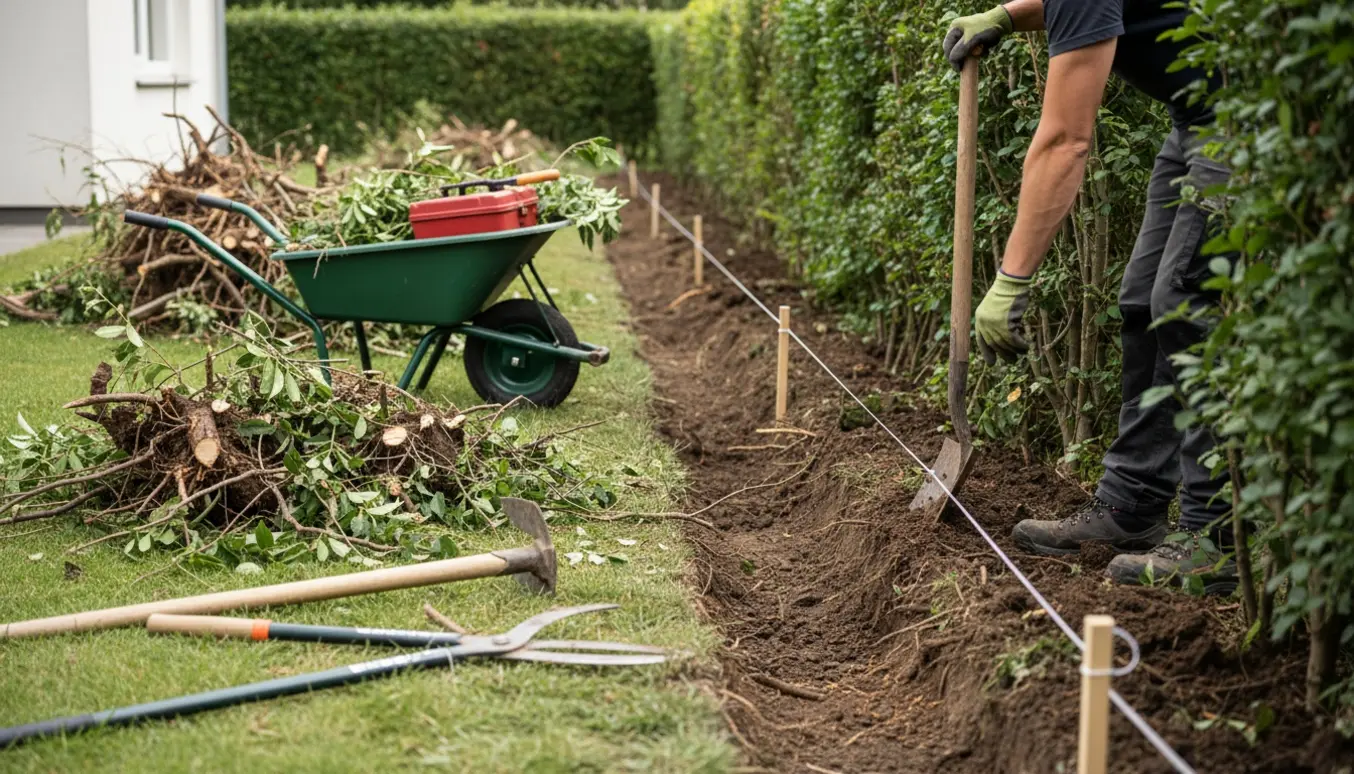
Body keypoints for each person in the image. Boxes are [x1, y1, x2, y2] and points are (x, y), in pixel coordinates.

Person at [941, 0, 1236, 594]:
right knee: (1142, 305)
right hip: (1196, 120)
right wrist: (1009, 16)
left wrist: (1012, 278)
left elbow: (1065, 143)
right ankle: (1131, 508)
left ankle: (1216, 540)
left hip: (1247, 122)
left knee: (1188, 304)